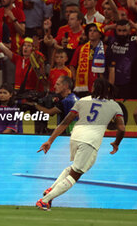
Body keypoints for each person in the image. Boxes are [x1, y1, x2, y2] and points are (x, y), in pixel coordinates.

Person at [36, 78, 125, 211]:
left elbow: (65, 122)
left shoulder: (82, 101)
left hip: (75, 136)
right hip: (90, 140)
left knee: (73, 168)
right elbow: (122, 128)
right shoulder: (114, 105)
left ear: (93, 88)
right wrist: (116, 143)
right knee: (75, 175)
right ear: (107, 89)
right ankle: (45, 201)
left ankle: (52, 189)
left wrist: (50, 140)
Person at [106, 19, 137, 99]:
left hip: (127, 83)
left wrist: (133, 24)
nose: (122, 33)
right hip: (111, 81)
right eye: (119, 30)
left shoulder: (134, 45)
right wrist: (111, 26)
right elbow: (99, 33)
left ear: (129, 32)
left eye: (125, 30)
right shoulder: (111, 41)